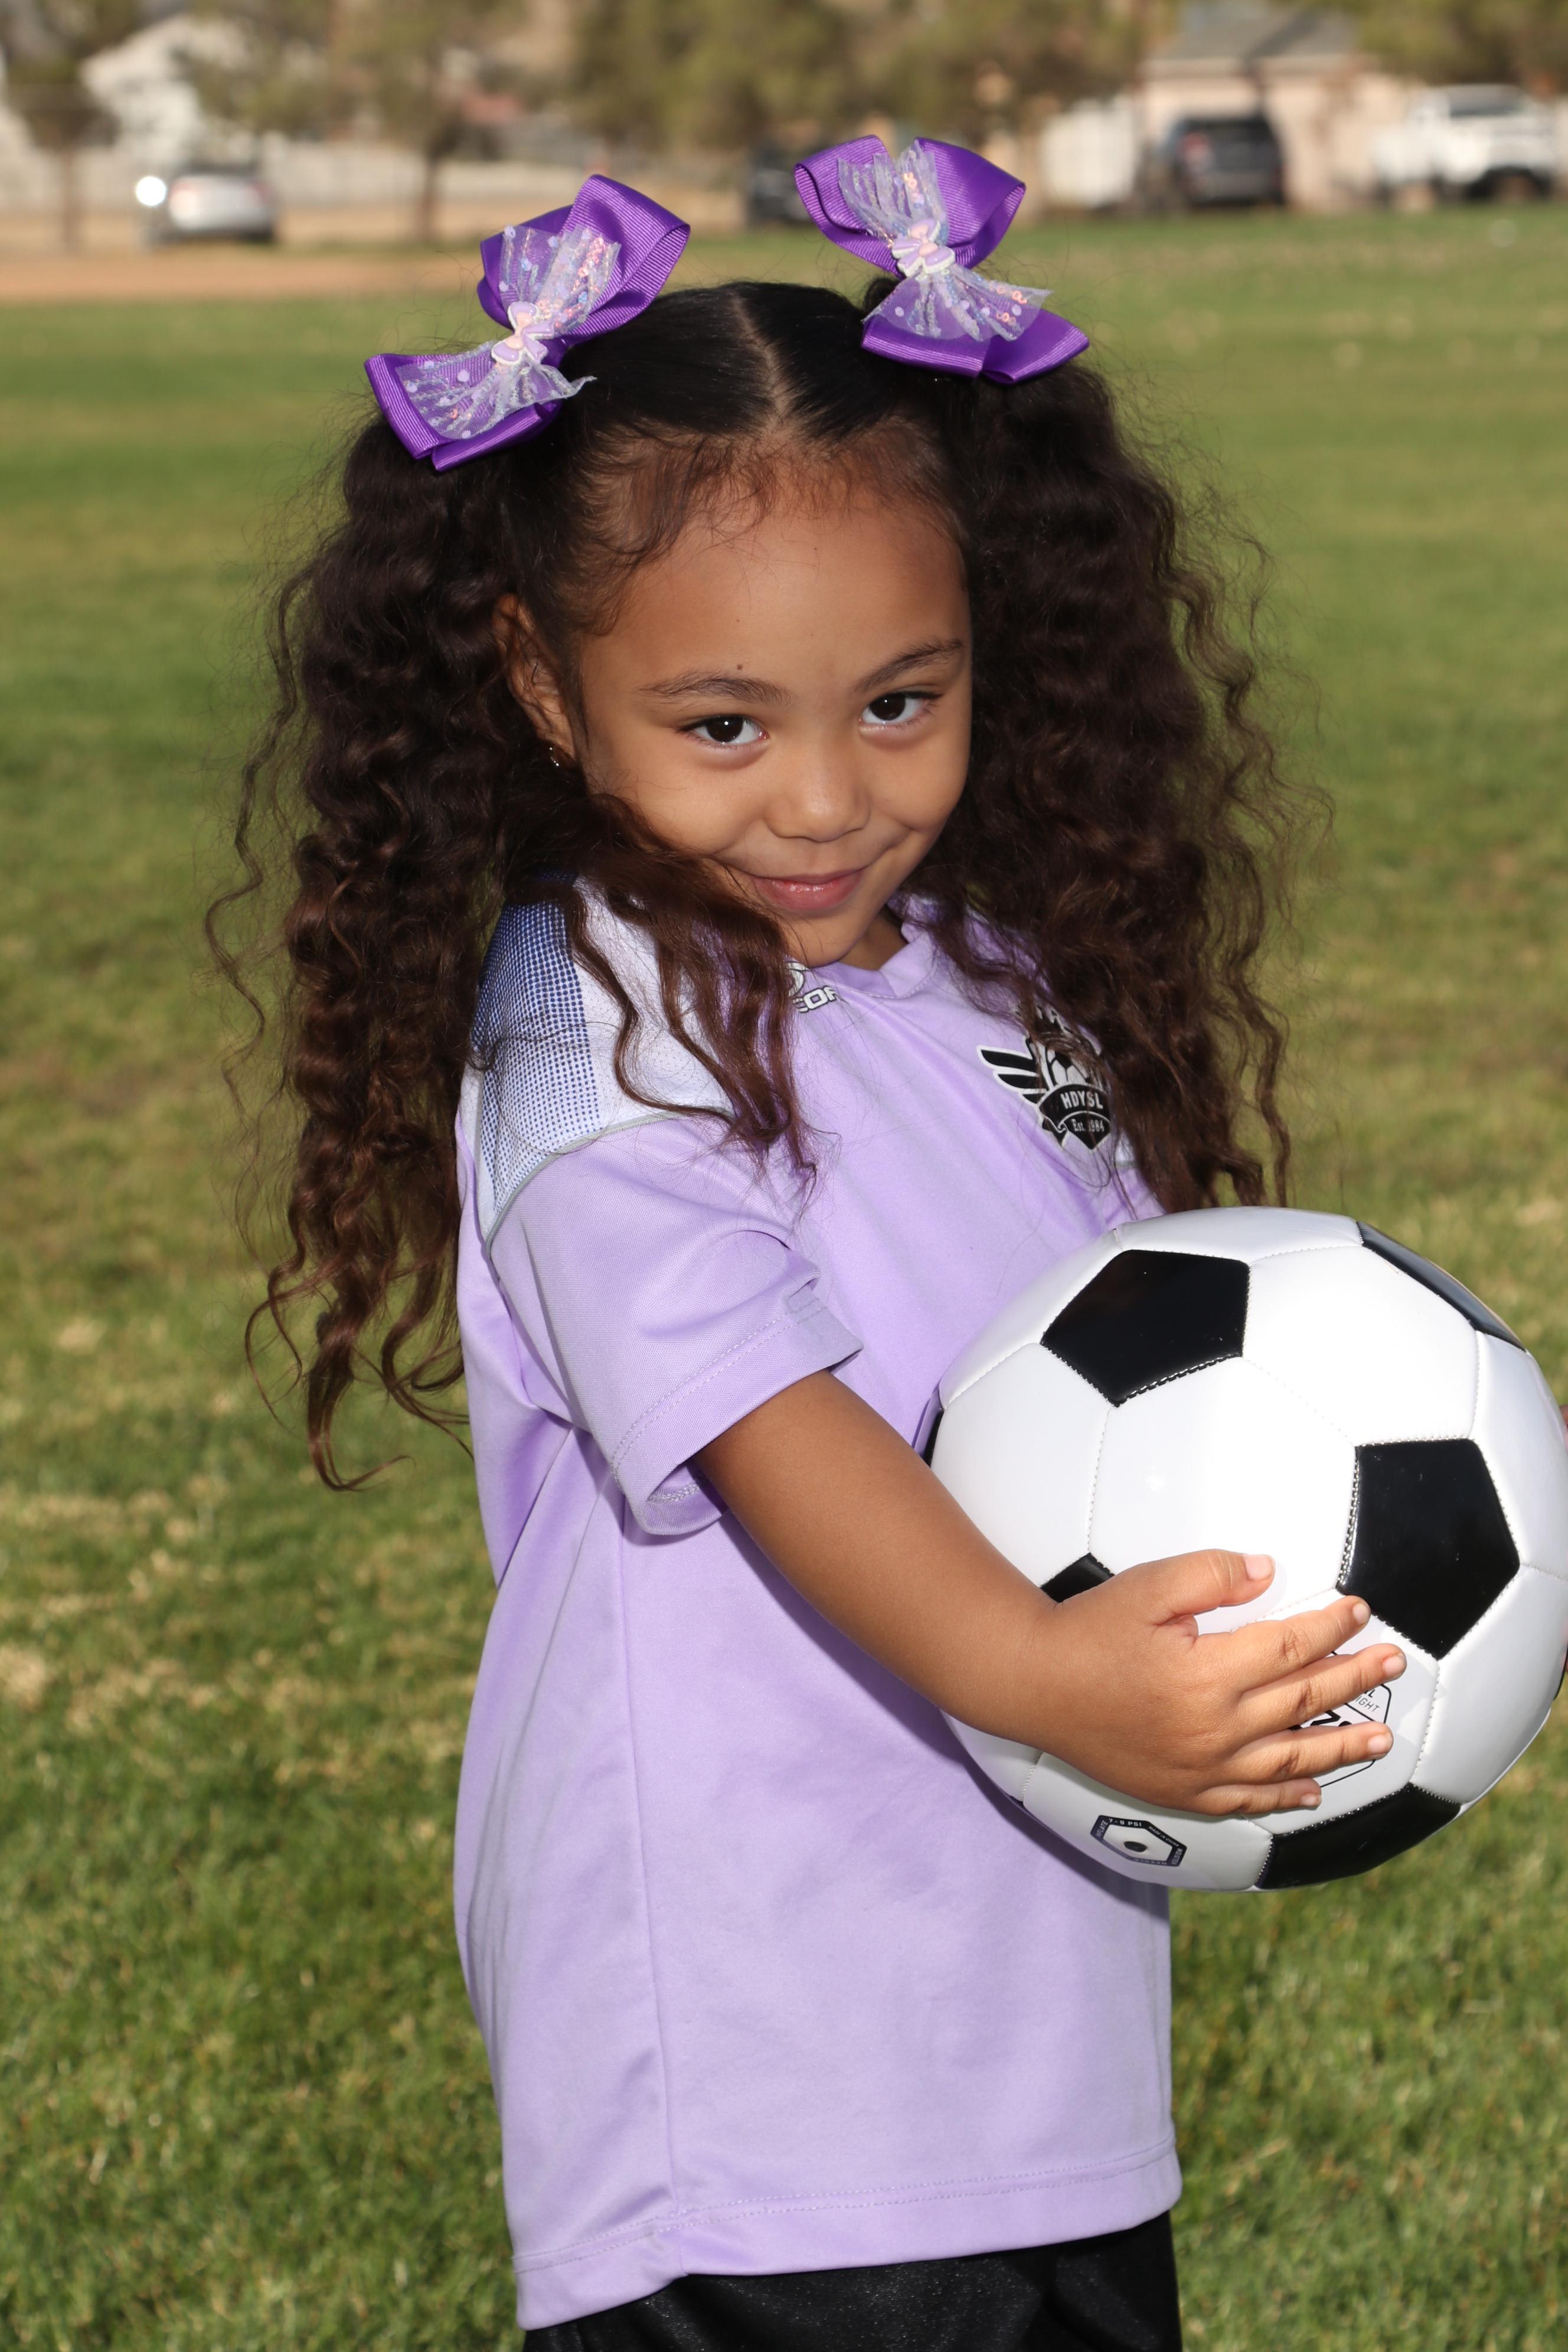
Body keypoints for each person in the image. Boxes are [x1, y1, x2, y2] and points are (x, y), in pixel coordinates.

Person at [226, 141, 1406, 2350]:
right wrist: (1051, 1675)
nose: (826, 798)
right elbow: (763, 1415)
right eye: (722, 726)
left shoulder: (992, 976)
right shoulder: (590, 1025)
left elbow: (1157, 1352)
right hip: (760, 2058)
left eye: (898, 700)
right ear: (545, 685)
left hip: (1034, 2024)